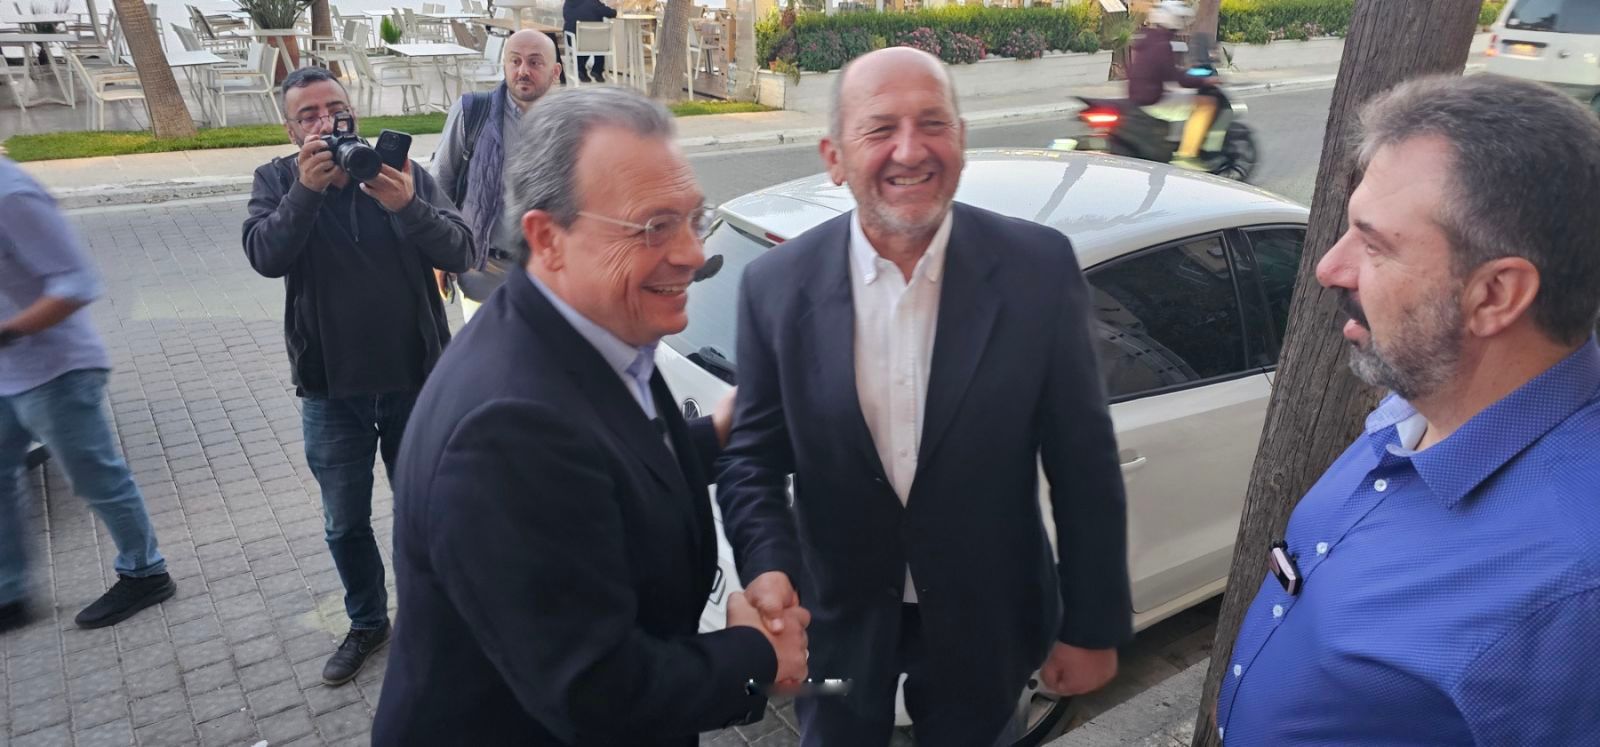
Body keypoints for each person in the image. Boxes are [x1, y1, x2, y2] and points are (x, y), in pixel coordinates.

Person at [715, 47, 1132, 746]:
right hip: (835, 626)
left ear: (960, 141)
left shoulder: (1038, 269)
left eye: (932, 123)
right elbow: (753, 456)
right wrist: (768, 567)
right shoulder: (776, 286)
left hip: (987, 620)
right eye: (880, 129)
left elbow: (1083, 459)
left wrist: (1092, 625)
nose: (910, 150)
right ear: (835, 156)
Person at [372, 86, 808, 745]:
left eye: (693, 218)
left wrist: (713, 437)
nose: (693, 254)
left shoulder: (593, 323)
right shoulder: (505, 432)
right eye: (653, 226)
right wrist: (754, 657)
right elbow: (595, 689)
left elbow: (604, 464)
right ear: (548, 238)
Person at [1216, 74, 1600, 745]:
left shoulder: (1572, 590)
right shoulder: (1419, 403)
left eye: (1374, 245)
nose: (1330, 268)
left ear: (1495, 295)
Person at [241, 67, 474, 687]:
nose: (327, 121)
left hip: (415, 382)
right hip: (330, 390)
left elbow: (461, 250)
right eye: (309, 115)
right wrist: (305, 192)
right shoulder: (276, 180)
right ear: (291, 131)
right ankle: (368, 623)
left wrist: (406, 205)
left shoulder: (400, 172)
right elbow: (265, 255)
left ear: (354, 111)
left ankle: (436, 621)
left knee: (424, 511)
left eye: (335, 108)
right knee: (344, 523)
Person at [0, 156, 176, 634]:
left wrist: (8, 331)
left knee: (96, 478)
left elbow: (76, 282)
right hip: (7, 373)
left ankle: (146, 572)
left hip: (58, 369)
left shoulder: (12, 194)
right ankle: (10, 592)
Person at [431, 29, 564, 322]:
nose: (523, 71)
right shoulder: (472, 113)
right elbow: (439, 183)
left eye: (534, 62)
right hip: (484, 272)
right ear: (504, 65)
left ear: (555, 72)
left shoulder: (571, 124)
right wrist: (440, 253)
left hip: (552, 276)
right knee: (487, 352)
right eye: (515, 61)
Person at [1127, 0, 1216, 166]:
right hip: (1153, 101)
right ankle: (1187, 155)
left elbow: (1164, 73)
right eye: (1180, 19)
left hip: (1140, 95)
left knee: (1184, 97)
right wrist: (1204, 80)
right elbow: (1176, 79)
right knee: (1206, 103)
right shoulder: (1162, 45)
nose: (1182, 24)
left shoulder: (1147, 39)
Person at [563, 0, 616, 83]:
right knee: (598, 40)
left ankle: (581, 69)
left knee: (584, 41)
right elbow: (611, 13)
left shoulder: (568, 3)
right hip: (594, 41)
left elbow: (566, 17)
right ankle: (597, 70)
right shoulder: (594, 2)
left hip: (574, 39)